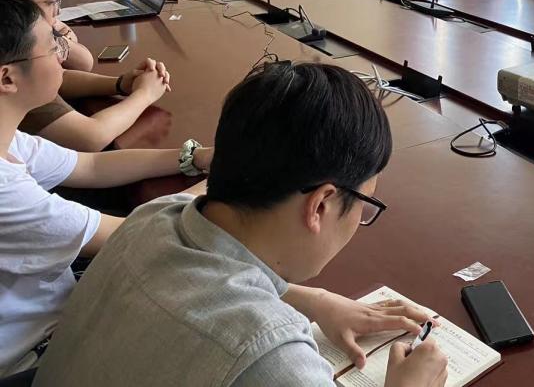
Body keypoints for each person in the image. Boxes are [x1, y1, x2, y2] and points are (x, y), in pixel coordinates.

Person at [35, 61, 448, 387]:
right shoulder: (273, 358)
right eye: (364, 203)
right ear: (320, 204)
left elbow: (208, 279)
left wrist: (316, 301)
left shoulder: (153, 217)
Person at [0, 0, 212, 377]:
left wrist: (195, 156)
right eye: (52, 46)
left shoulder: (9, 138)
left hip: (51, 308)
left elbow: (92, 166)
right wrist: (222, 182)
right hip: (35, 357)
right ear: (7, 78)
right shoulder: (5, 192)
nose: (63, 54)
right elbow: (134, 231)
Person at [0, 0, 172, 152]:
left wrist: (120, 84)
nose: (57, 12)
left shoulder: (18, 53)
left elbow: (60, 76)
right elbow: (91, 137)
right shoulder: (13, 70)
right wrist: (145, 94)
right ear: (14, 4)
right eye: (51, 2)